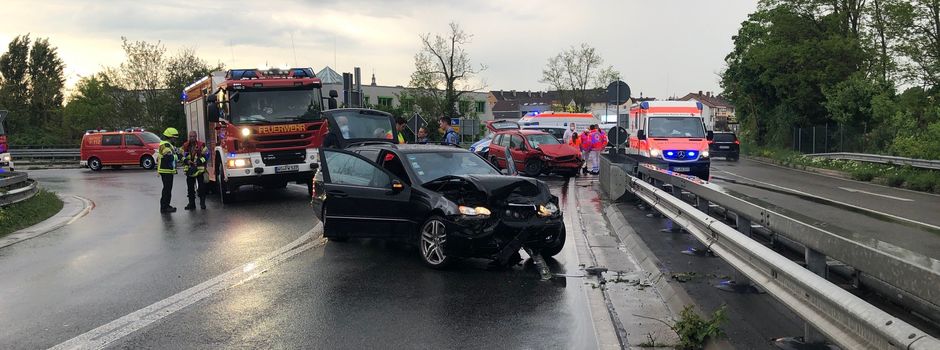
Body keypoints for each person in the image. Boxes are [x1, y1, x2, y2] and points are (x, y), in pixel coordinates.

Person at [182, 131, 208, 210]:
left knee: (201, 188)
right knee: (190, 189)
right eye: (190, 136)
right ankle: (191, 204)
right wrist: (186, 161)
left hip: (199, 170)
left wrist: (200, 161)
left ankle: (202, 203)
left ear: (196, 136)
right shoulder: (185, 145)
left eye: (193, 136)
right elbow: (180, 155)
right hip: (189, 170)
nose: (192, 138)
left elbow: (207, 155)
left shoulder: (201, 145)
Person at [157, 127, 180, 213]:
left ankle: (166, 205)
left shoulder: (167, 144)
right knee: (167, 189)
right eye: (174, 137)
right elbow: (169, 158)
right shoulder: (166, 146)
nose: (175, 139)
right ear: (170, 137)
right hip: (166, 170)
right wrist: (177, 157)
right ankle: (164, 207)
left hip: (167, 170)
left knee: (168, 189)